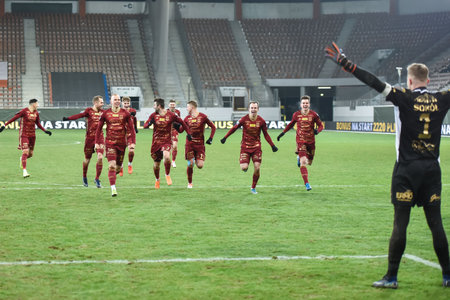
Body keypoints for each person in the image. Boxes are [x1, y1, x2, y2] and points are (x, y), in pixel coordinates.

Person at [325, 41, 450, 288]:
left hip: (407, 170)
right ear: (428, 80)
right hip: (432, 170)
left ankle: (391, 277)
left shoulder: (403, 97)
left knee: (400, 224)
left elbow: (374, 82)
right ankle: (447, 275)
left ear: (410, 81)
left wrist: (347, 64)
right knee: (436, 224)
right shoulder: (442, 98)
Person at [220, 101, 278, 194]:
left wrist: (272, 145)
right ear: (249, 109)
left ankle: (253, 188)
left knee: (257, 167)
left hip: (256, 147)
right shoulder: (244, 119)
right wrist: (225, 137)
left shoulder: (261, 121)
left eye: (255, 108)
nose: (253, 109)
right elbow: (234, 128)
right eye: (252, 108)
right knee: (244, 167)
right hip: (245, 147)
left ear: (258, 109)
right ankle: (245, 166)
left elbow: (266, 135)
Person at [277, 95, 323, 191]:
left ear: (309, 104)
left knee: (309, 162)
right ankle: (307, 183)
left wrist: (317, 131)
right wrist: (283, 133)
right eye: (303, 103)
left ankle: (298, 157)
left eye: (306, 103)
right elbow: (290, 125)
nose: (305, 105)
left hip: (311, 141)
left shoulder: (314, 115)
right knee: (303, 162)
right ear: (301, 104)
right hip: (301, 140)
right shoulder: (296, 115)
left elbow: (320, 125)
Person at [143, 98, 191, 189]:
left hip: (166, 141)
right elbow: (145, 125)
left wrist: (188, 133)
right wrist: (149, 123)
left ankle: (167, 174)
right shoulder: (153, 115)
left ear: (159, 106)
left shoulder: (171, 115)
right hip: (156, 143)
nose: (154, 107)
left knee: (167, 156)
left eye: (154, 105)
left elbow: (182, 123)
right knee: (156, 165)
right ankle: (157, 180)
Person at [95, 94, 135, 197]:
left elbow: (131, 129)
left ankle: (113, 174)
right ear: (111, 101)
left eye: (118, 100)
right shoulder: (106, 114)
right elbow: (99, 129)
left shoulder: (125, 113)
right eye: (115, 100)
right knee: (112, 166)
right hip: (110, 143)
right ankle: (113, 189)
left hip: (122, 144)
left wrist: (132, 142)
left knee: (116, 168)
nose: (117, 101)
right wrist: (96, 143)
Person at [0, 99, 52, 178]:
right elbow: (14, 118)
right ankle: (24, 171)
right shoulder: (24, 111)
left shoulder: (36, 113)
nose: (38, 105)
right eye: (37, 104)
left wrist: (45, 131)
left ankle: (22, 159)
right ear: (33, 104)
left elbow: (37, 123)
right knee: (25, 151)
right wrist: (4, 125)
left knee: (30, 154)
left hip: (32, 135)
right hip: (24, 134)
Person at [63, 95, 105, 188]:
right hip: (89, 139)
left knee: (100, 157)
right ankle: (84, 176)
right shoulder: (88, 111)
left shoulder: (103, 112)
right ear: (95, 103)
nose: (103, 104)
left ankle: (97, 179)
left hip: (100, 138)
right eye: (101, 102)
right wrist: (68, 118)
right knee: (87, 160)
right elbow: (79, 115)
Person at [181, 100, 216, 188]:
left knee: (200, 165)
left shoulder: (203, 117)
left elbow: (213, 127)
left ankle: (195, 158)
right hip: (189, 144)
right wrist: (176, 125)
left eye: (187, 107)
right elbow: (181, 130)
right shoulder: (186, 118)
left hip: (200, 145)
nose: (186, 108)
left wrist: (210, 138)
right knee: (190, 164)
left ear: (192, 107)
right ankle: (190, 183)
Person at [119, 96, 138, 176]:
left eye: (127, 103)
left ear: (130, 103)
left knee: (131, 151)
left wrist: (136, 128)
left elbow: (134, 118)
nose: (126, 104)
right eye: (125, 103)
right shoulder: (118, 111)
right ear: (122, 103)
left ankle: (130, 164)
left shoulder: (133, 111)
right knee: (121, 152)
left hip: (131, 134)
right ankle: (121, 166)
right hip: (122, 134)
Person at [168, 99, 181, 168]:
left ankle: (173, 161)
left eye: (173, 105)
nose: (172, 106)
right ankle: (168, 160)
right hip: (167, 131)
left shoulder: (178, 112)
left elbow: (179, 121)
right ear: (168, 105)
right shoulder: (166, 112)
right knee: (168, 147)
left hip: (174, 130)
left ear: (175, 105)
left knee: (175, 146)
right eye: (171, 105)